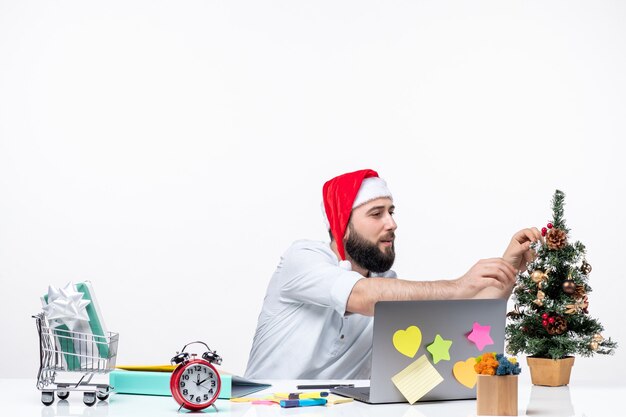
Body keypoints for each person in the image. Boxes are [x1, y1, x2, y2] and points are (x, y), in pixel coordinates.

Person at [244, 169, 541, 380]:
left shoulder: (386, 284)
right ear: (342, 225)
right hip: (265, 408)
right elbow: (361, 296)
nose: (392, 223)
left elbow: (459, 339)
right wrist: (458, 286)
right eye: (376, 214)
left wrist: (508, 269)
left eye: (391, 211)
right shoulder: (303, 258)